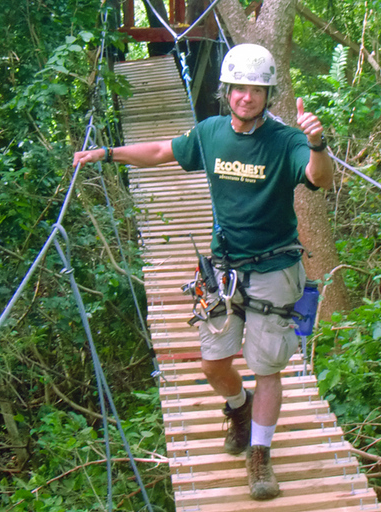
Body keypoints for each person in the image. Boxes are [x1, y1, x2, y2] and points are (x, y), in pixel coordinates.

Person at [73, 43, 333, 500]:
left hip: (275, 268)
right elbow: (159, 151)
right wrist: (108, 153)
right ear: (227, 91)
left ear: (267, 94)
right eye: (239, 89)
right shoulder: (211, 133)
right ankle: (238, 406)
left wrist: (316, 143)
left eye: (256, 90)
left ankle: (260, 457)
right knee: (214, 364)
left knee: (266, 367)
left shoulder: (286, 141)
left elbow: (319, 178)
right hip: (224, 269)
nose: (246, 98)